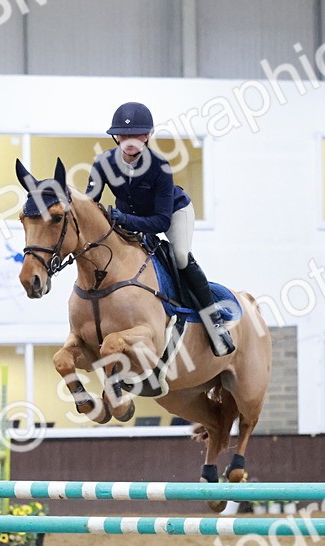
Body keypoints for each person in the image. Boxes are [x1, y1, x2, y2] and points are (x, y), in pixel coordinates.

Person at [87, 101, 235, 356]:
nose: (130, 141)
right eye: (125, 135)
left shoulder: (160, 167)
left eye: (137, 135)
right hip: (130, 217)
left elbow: (160, 222)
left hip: (172, 213)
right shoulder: (103, 163)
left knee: (179, 257)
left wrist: (122, 218)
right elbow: (91, 204)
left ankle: (214, 322)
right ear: (117, 137)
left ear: (147, 136)